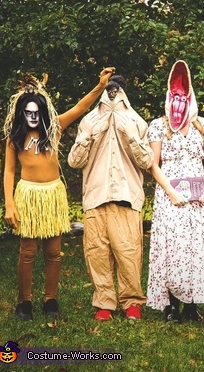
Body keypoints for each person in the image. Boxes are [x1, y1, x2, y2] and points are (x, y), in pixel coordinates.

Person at [3, 67, 115, 320]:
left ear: (42, 112)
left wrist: (99, 86)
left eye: (36, 112)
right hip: (28, 196)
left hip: (52, 195)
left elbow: (79, 108)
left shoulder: (54, 129)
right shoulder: (15, 138)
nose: (32, 116)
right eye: (27, 112)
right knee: (28, 251)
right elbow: (9, 172)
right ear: (22, 113)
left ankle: (50, 300)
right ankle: (25, 303)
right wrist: (10, 204)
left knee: (53, 252)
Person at [68, 74, 153, 321]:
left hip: (127, 196)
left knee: (128, 254)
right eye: (110, 88)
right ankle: (104, 303)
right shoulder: (89, 120)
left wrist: (131, 136)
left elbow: (147, 161)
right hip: (96, 194)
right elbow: (74, 161)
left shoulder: (136, 121)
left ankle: (132, 303)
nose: (113, 92)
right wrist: (88, 136)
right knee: (97, 253)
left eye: (118, 88)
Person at [146, 60, 204, 323]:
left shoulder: (203, 125)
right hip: (170, 193)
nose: (179, 101)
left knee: (195, 246)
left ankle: (191, 304)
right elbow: (153, 164)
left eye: (183, 96)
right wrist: (171, 192)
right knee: (172, 247)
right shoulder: (158, 125)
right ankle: (171, 306)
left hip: (198, 193)